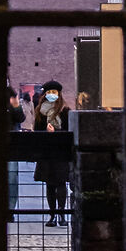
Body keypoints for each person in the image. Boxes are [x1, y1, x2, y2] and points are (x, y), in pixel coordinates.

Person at [32, 79, 73, 227]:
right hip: (46, 152)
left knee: (61, 183)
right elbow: (36, 131)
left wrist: (56, 132)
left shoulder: (65, 111)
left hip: (60, 152)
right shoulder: (39, 111)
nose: (51, 95)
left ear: (59, 94)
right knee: (49, 184)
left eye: (53, 92)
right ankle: (52, 215)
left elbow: (69, 132)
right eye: (48, 92)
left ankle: (62, 214)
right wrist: (45, 132)